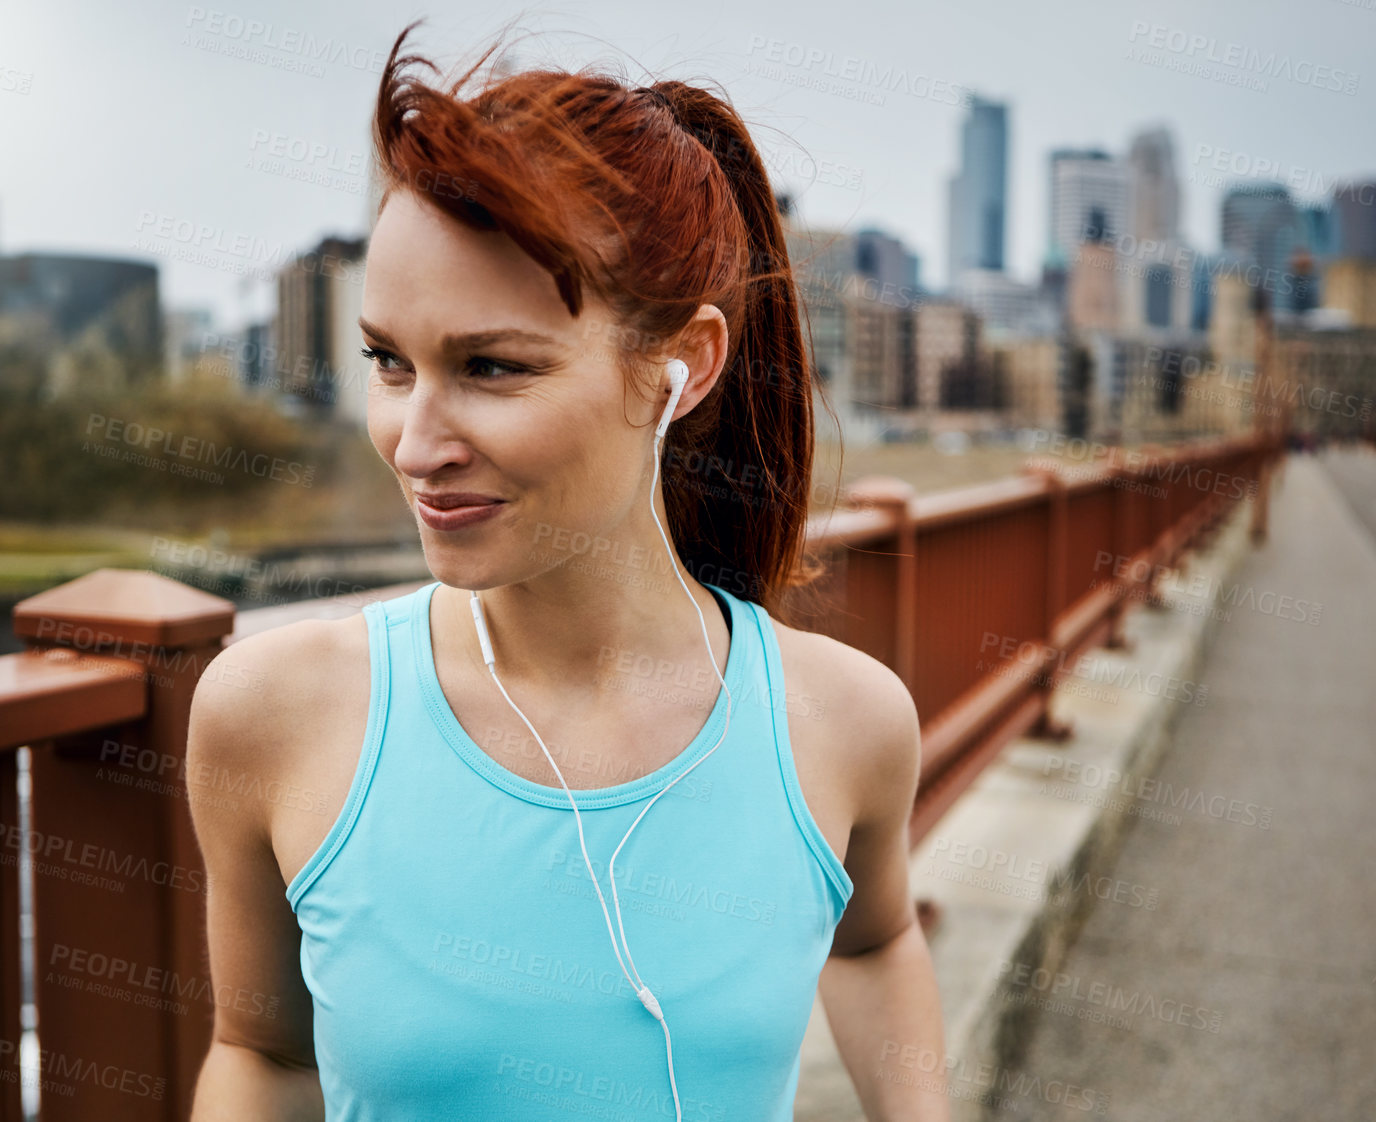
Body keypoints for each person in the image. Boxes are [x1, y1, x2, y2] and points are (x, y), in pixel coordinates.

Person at [185, 19, 948, 1120]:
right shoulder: (272, 715)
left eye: (491, 367)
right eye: (388, 362)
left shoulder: (847, 725)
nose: (415, 440)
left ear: (682, 368)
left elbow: (877, 943)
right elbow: (261, 1055)